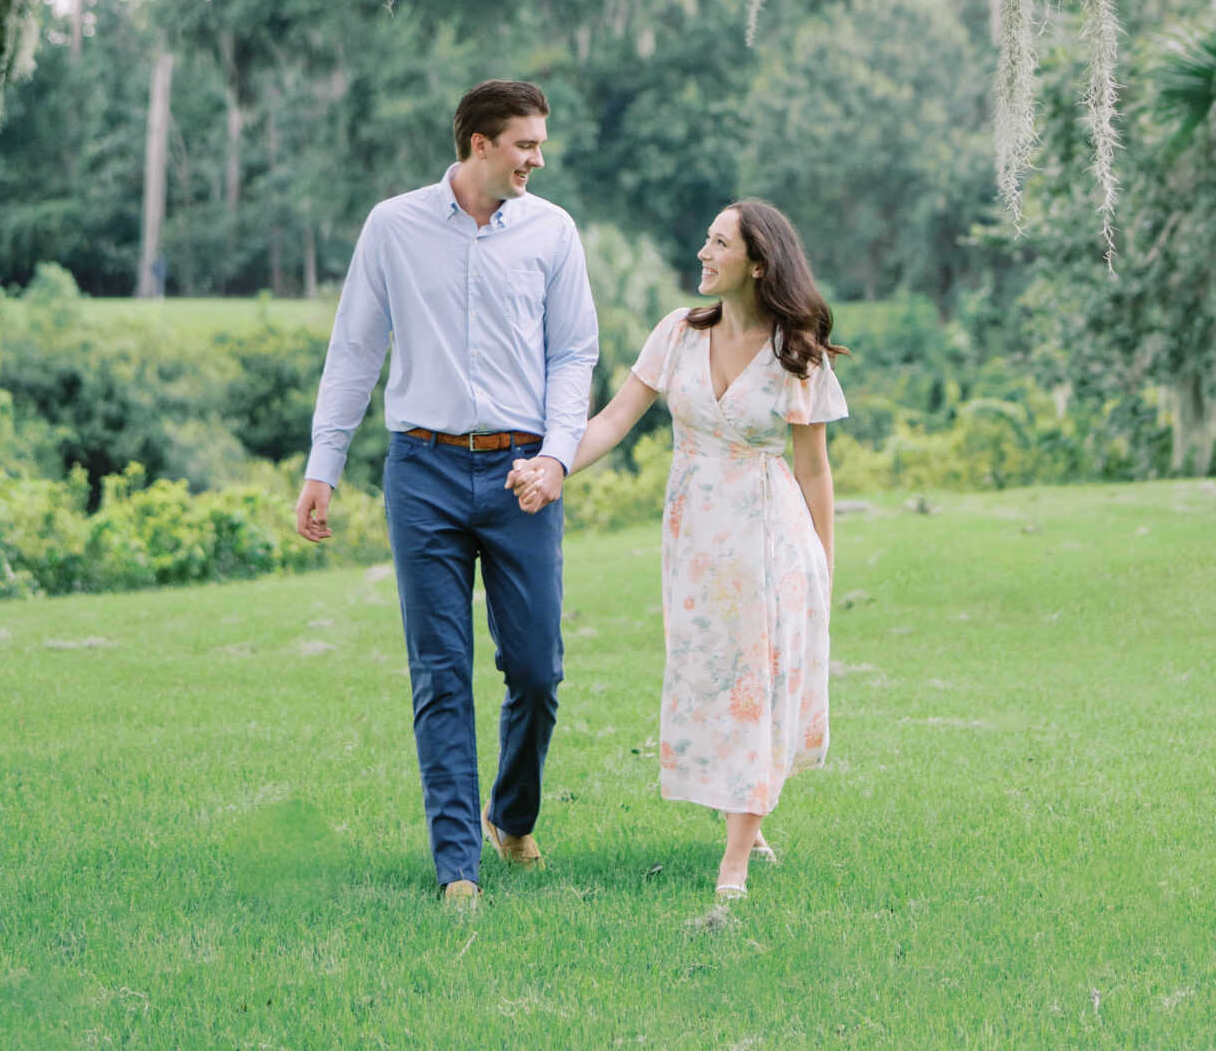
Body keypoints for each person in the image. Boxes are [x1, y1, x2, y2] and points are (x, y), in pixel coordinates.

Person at [293, 80, 599, 912]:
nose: (538, 158)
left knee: (536, 671)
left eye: (539, 143)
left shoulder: (553, 232)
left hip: (520, 474)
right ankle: (456, 863)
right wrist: (324, 464)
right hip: (422, 470)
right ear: (477, 144)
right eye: (525, 144)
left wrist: (558, 458)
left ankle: (514, 816)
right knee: (439, 673)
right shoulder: (393, 226)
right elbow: (355, 350)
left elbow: (574, 356)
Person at [518, 201, 846, 898]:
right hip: (695, 541)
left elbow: (814, 469)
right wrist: (555, 466)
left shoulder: (796, 349)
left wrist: (823, 564)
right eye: (706, 239)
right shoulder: (678, 334)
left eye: (719, 243)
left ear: (757, 264)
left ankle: (734, 859)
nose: (703, 252)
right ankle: (747, 825)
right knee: (713, 680)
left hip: (768, 539)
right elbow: (610, 420)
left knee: (754, 683)